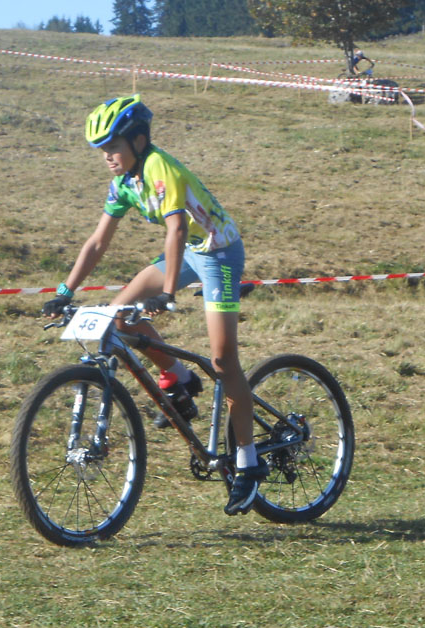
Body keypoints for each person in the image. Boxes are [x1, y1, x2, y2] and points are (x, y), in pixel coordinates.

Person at [42, 94, 268, 516]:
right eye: (101, 150)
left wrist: (167, 293)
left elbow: (177, 229)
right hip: (186, 254)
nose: (107, 156)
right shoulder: (124, 183)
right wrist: (65, 291)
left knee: (223, 361)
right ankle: (179, 376)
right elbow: (98, 241)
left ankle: (248, 462)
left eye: (113, 146)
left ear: (139, 141)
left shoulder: (159, 168)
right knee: (116, 320)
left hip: (219, 253)